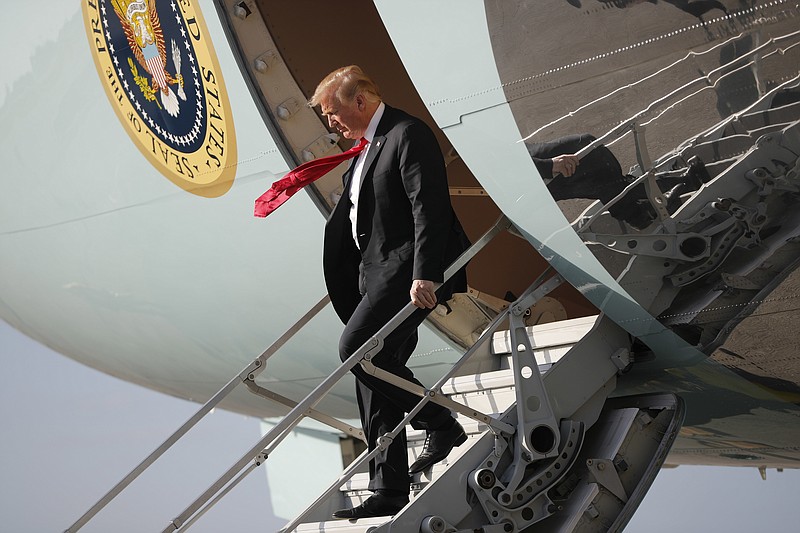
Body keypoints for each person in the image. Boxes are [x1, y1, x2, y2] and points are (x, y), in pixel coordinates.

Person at [309, 65, 471, 520]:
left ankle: (440, 425)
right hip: (373, 275)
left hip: (405, 273)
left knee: (358, 352)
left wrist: (426, 273)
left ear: (360, 100)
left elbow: (428, 205)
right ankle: (388, 488)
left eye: (333, 112)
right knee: (378, 375)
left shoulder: (407, 133)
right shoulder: (364, 152)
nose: (330, 123)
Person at [528, 133, 706, 229]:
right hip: (528, 178)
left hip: (527, 165)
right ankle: (637, 212)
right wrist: (546, 166)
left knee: (599, 174)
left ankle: (639, 213)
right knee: (588, 150)